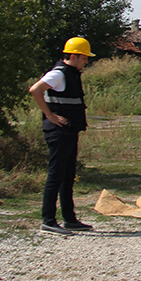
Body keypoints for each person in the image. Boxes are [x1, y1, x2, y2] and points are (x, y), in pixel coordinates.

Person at [28, 37, 96, 235]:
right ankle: (48, 220)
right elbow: (35, 90)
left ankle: (69, 219)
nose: (86, 61)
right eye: (84, 58)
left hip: (70, 130)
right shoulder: (58, 73)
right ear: (73, 56)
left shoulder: (71, 74)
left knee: (68, 176)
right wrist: (49, 115)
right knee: (56, 176)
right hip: (58, 131)